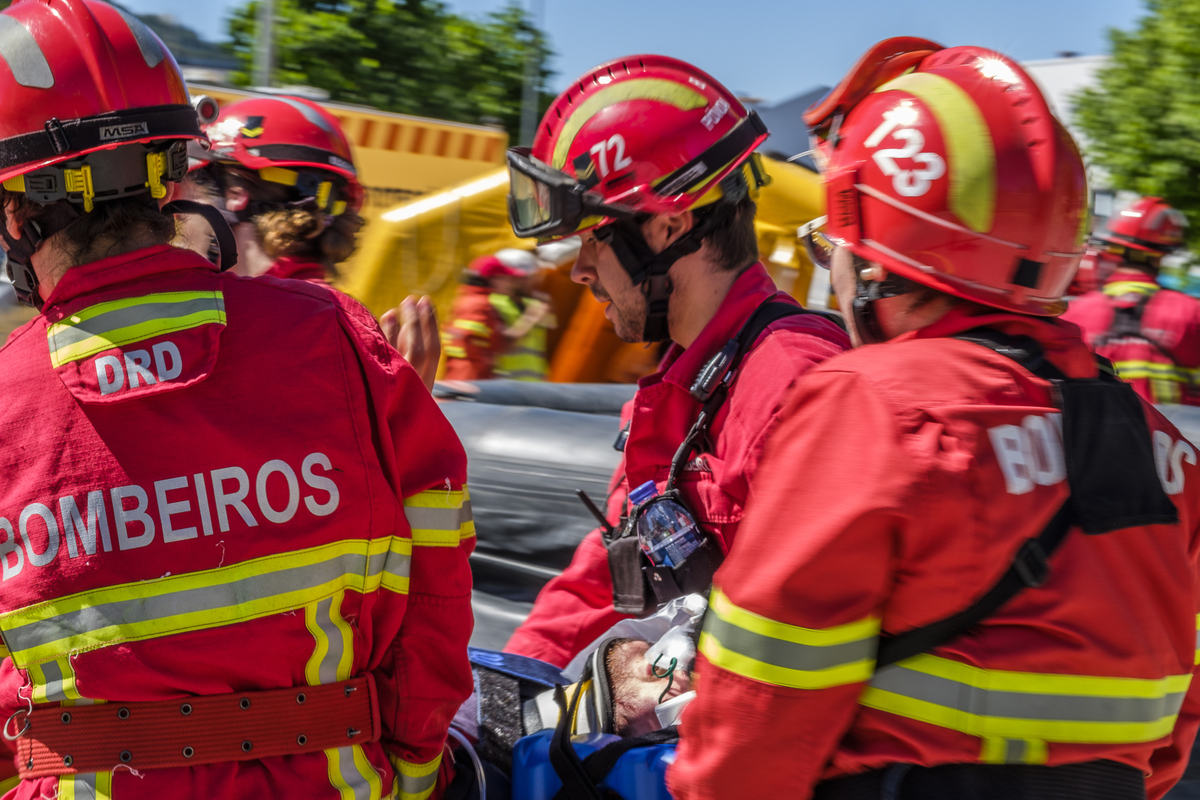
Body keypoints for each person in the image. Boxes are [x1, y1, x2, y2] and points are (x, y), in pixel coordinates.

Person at [669, 38, 1200, 800]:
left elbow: (752, 725)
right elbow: (1173, 739)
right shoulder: (1166, 452)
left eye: (837, 249)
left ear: (879, 259)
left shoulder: (870, 404)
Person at [0, 3, 474, 799]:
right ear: (176, 171)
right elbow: (436, 581)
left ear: (14, 212)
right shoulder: (338, 340)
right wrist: (418, 765)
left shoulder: (8, 404)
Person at [501, 55, 850, 668]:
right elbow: (602, 589)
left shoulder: (793, 384)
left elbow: (807, 652)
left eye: (592, 238)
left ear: (669, 225)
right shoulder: (679, 389)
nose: (580, 271)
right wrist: (497, 704)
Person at [189, 95, 442, 390]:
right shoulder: (346, 326)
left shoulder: (239, 324)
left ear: (233, 193)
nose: (179, 204)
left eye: (195, 184)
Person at [1061, 197, 1200, 405]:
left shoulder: (1071, 314)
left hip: (1095, 435)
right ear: (1161, 256)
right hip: (1174, 435)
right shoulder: (1192, 313)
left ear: (1116, 248)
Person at [442, 251, 553, 381]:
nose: (511, 283)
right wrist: (530, 318)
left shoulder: (474, 301)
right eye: (507, 278)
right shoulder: (482, 305)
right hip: (472, 380)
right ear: (492, 279)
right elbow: (481, 345)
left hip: (470, 378)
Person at [487, 249, 556, 381]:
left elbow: (550, 324)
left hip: (534, 384)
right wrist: (530, 317)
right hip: (505, 386)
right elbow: (502, 346)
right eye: (528, 277)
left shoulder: (531, 303)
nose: (534, 281)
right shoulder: (493, 303)